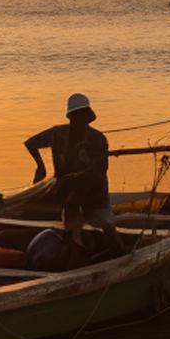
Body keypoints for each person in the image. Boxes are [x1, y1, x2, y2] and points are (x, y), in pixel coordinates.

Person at [25, 93, 124, 266]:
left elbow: (99, 172)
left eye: (83, 117)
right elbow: (30, 143)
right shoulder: (57, 134)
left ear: (87, 118)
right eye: (76, 117)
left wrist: (75, 183)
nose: (80, 121)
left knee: (107, 227)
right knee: (72, 232)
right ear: (71, 117)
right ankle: (80, 258)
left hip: (94, 198)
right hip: (68, 199)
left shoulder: (98, 139)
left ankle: (118, 254)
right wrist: (41, 166)